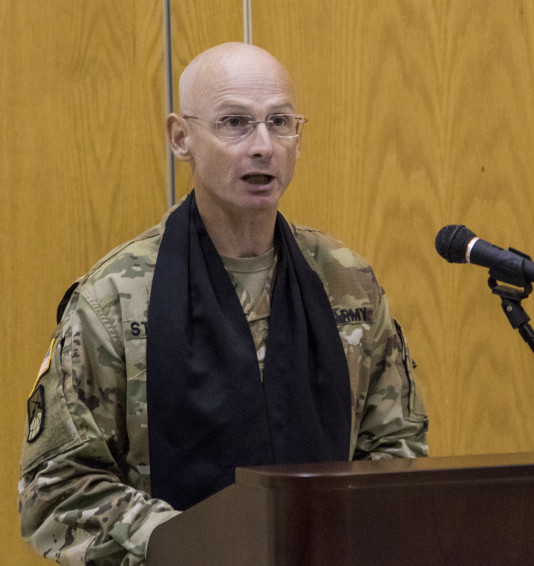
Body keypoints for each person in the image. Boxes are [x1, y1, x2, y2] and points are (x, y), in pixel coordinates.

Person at [19, 42, 428, 565]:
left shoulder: (348, 282)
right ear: (180, 137)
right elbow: (55, 487)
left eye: (280, 122)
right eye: (235, 122)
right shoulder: (114, 296)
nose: (263, 145)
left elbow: (398, 451)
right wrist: (192, 543)